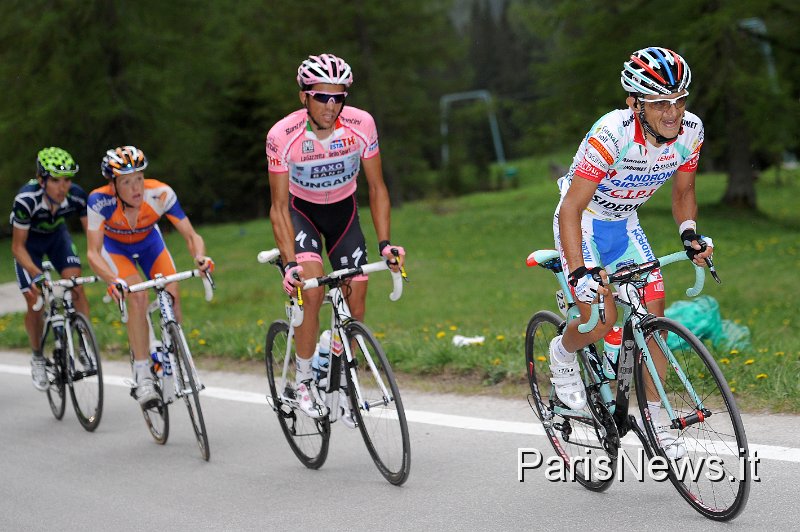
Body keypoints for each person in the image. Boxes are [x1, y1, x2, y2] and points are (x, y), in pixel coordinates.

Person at [549, 47, 712, 457]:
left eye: (679, 99)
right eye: (659, 103)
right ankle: (562, 355)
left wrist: (690, 233)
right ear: (635, 104)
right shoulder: (612, 134)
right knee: (601, 320)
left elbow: (684, 191)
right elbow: (570, 208)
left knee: (653, 317)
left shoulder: (691, 131)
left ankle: (661, 423)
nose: (672, 112)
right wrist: (579, 273)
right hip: (583, 221)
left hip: (625, 225)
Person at [267, 53, 405, 420]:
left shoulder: (362, 125)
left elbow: (376, 188)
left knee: (356, 302)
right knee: (311, 289)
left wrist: (385, 243)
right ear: (303, 97)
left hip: (344, 213)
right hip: (302, 214)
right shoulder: (282, 135)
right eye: (321, 96)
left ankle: (336, 362)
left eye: (339, 97)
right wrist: (289, 262)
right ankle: (304, 380)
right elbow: (279, 207)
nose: (331, 106)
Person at [85, 146, 214, 407]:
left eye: (139, 178)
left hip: (149, 244)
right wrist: (113, 280)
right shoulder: (99, 201)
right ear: (113, 184)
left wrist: (200, 257)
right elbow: (93, 253)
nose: (136, 187)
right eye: (127, 181)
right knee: (138, 296)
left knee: (172, 290)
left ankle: (175, 352)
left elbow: (191, 235)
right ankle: (142, 374)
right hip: (116, 249)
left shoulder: (160, 193)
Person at [10, 147, 90, 391]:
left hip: (57, 239)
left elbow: (93, 236)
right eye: (55, 180)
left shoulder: (77, 196)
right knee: (35, 300)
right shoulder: (26, 200)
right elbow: (17, 247)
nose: (62, 186)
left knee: (75, 286)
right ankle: (37, 356)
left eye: (67, 180)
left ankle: (85, 346)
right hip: (29, 246)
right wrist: (35, 274)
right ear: (42, 179)